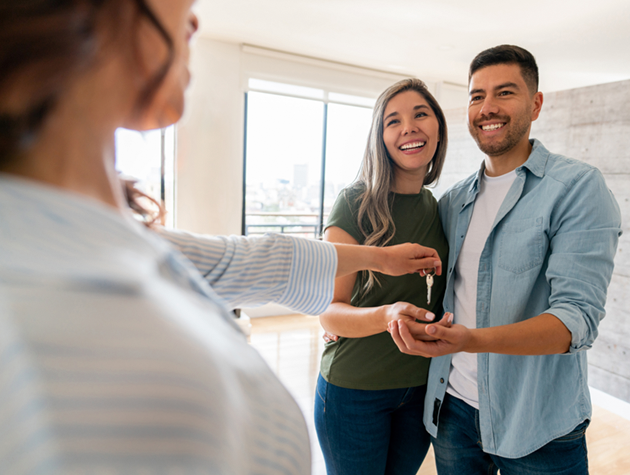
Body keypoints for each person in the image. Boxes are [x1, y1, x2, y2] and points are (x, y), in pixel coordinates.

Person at [0, 1, 443, 473]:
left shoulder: (111, 238)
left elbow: (250, 260)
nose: (193, 22)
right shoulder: (40, 337)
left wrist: (382, 260)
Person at [389, 45, 622, 475]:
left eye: (505, 93)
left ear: (535, 104)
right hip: (453, 410)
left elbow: (575, 321)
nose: (487, 107)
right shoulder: (453, 200)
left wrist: (470, 340)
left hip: (538, 422)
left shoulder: (576, 188)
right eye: (476, 96)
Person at [314, 78, 452, 475]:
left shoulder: (443, 210)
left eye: (420, 114)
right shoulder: (353, 204)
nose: (409, 127)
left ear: (438, 129)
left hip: (421, 390)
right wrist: (386, 315)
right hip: (354, 389)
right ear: (381, 137)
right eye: (393, 120)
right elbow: (328, 313)